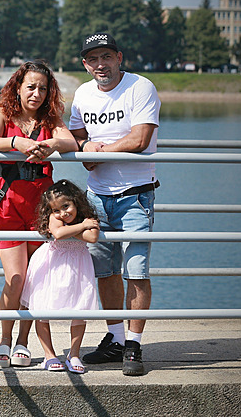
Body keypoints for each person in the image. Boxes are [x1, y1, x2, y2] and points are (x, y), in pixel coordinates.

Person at [69, 32, 161, 376]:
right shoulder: (82, 93)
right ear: (85, 64)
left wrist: (99, 152)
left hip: (136, 193)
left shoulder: (140, 87)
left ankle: (134, 346)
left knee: (136, 271)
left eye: (106, 57)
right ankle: (116, 339)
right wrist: (85, 149)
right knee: (104, 272)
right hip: (96, 197)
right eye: (92, 59)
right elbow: (78, 135)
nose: (100, 65)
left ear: (119, 57)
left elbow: (140, 138)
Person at [0, 60, 78, 368]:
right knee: (17, 278)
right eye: (31, 87)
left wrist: (49, 143)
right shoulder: (2, 113)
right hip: (7, 203)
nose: (36, 94)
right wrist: (17, 142)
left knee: (35, 278)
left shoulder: (50, 118)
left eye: (43, 88)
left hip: (41, 208)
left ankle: (23, 341)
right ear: (18, 87)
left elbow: (70, 141)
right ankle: (4, 340)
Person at [20, 180, 99, 374]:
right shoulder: (79, 221)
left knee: (80, 309)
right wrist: (82, 226)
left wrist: (75, 228)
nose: (62, 213)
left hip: (78, 266)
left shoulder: (87, 216)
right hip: (52, 265)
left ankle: (74, 354)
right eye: (56, 210)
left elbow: (93, 237)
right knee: (43, 309)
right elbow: (58, 232)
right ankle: (50, 355)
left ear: (76, 202)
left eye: (66, 206)